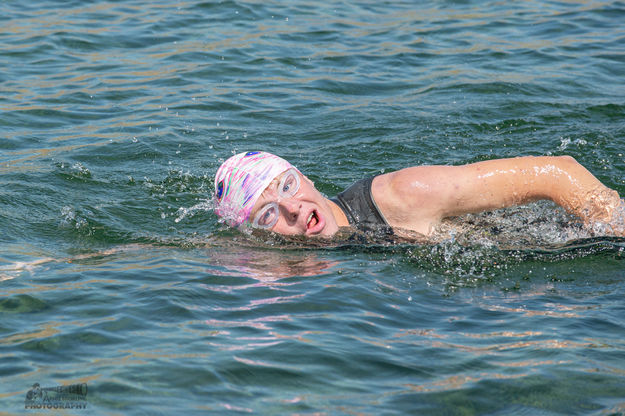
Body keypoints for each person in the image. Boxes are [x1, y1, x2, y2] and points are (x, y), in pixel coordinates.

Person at [213, 151, 625, 239]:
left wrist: (612, 223)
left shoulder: (403, 196)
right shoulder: (292, 262)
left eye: (288, 186)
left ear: (305, 178)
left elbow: (560, 173)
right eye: (267, 214)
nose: (292, 208)